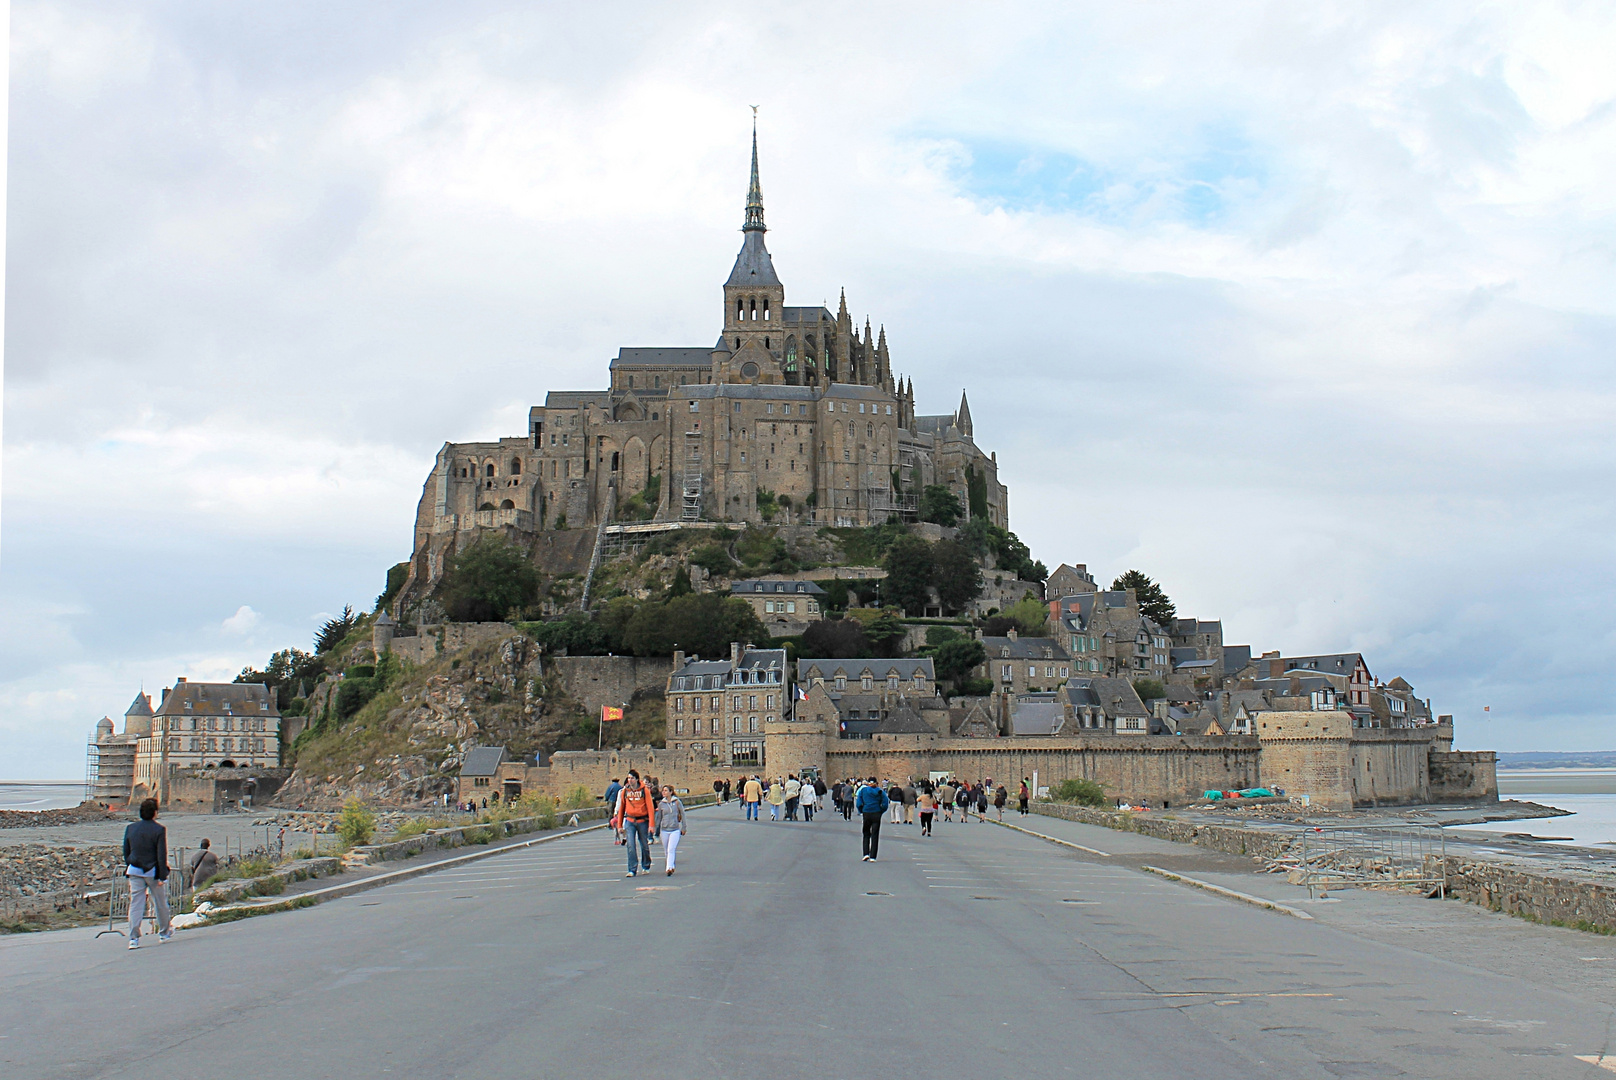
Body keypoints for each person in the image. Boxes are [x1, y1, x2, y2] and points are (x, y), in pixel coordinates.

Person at [122, 797, 172, 947]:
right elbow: (161, 854)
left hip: (134, 869)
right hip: (152, 871)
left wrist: (131, 861)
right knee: (160, 903)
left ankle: (133, 938)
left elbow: (126, 851)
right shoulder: (159, 829)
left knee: (136, 904)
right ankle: (164, 933)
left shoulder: (131, 828)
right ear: (155, 813)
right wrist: (162, 875)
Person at [613, 771, 654, 877]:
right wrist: (620, 826)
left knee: (644, 844)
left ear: (636, 779)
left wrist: (651, 824)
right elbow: (622, 808)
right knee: (630, 845)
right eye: (628, 778)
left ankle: (646, 865)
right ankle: (632, 869)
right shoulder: (625, 791)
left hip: (642, 821)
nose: (630, 780)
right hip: (630, 821)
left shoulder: (644, 791)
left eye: (632, 778)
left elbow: (650, 807)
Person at [855, 778, 890, 861]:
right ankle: (873, 856)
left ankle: (866, 853)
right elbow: (885, 802)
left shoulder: (863, 791)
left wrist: (861, 810)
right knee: (875, 834)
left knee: (866, 833)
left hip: (866, 812)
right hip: (876, 812)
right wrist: (881, 810)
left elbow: (859, 802)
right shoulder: (880, 791)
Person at [655, 784, 686, 876]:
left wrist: (684, 827)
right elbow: (659, 818)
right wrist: (655, 828)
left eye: (665, 790)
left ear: (670, 792)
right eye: (663, 791)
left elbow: (682, 814)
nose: (663, 792)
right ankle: (671, 866)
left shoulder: (676, 802)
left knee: (671, 848)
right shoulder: (661, 804)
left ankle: (668, 868)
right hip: (664, 830)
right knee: (666, 850)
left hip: (674, 829)